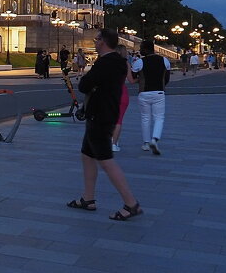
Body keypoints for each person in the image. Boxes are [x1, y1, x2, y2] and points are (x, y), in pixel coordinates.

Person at [68, 28, 142, 221]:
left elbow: (84, 85)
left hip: (100, 115)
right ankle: (88, 198)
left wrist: (90, 82)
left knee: (106, 160)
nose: (94, 41)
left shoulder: (105, 63)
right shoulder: (120, 61)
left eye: (97, 39)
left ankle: (131, 203)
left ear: (103, 41)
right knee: (87, 155)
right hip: (107, 111)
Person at [131, 39, 171, 155]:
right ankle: (155, 139)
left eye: (141, 48)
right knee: (159, 118)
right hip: (159, 92)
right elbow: (167, 78)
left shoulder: (139, 62)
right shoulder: (164, 60)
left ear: (146, 49)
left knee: (145, 118)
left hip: (144, 93)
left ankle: (146, 143)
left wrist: (142, 79)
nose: (140, 50)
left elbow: (134, 76)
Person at [110, 44, 131, 152]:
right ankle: (114, 143)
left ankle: (112, 139)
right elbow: (131, 80)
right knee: (118, 120)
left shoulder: (109, 63)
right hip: (122, 92)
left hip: (110, 93)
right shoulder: (125, 63)